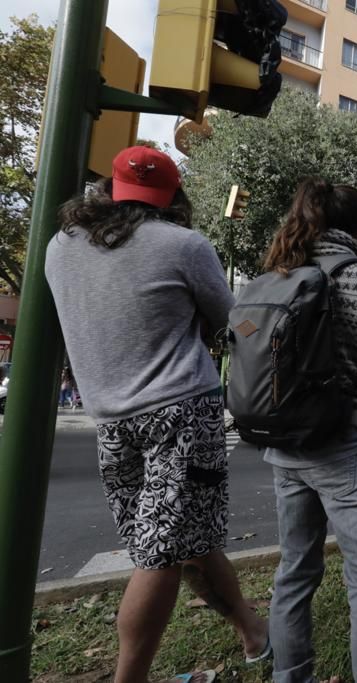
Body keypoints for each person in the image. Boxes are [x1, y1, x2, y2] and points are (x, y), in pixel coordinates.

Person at [46, 146, 268, 683]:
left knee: (178, 542)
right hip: (181, 416)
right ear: (172, 199)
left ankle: (253, 632)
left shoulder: (59, 247)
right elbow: (236, 325)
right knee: (162, 554)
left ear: (109, 191)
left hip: (111, 424)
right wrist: (267, 339)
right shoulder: (184, 245)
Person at [262, 179, 357, 683]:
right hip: (345, 443)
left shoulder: (280, 272)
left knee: (295, 572)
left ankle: (289, 676)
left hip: (283, 444)